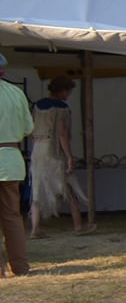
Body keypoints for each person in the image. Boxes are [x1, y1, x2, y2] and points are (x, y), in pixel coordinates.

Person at [28, 76, 90, 236]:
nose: (68, 95)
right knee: (68, 185)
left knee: (37, 187)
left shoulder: (36, 106)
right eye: (68, 91)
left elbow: (30, 128)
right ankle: (78, 226)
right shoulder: (61, 108)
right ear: (62, 90)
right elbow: (62, 133)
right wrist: (69, 156)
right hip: (53, 149)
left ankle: (35, 228)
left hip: (37, 149)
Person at [0, 52, 31, 277]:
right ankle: (19, 267)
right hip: (11, 159)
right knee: (12, 217)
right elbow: (28, 128)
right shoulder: (16, 92)